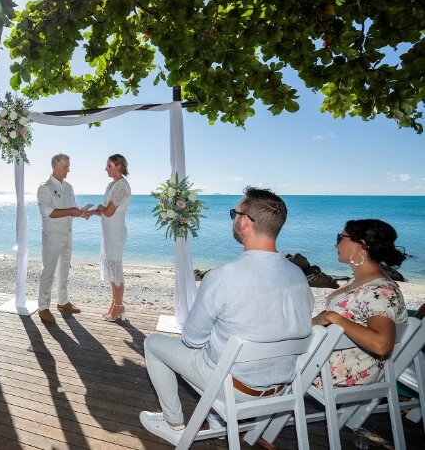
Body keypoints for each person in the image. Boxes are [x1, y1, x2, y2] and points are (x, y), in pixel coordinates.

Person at [139, 187, 314, 446]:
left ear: (244, 222)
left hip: (236, 388)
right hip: (279, 388)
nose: (234, 218)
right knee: (220, 343)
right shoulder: (298, 276)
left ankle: (173, 423)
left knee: (153, 344)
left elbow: (192, 339)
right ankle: (218, 420)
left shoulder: (223, 277)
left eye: (235, 213)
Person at [312, 219, 408, 386]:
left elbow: (382, 344)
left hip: (331, 379)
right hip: (322, 366)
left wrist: (334, 318)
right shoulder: (360, 281)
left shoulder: (379, 291)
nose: (336, 245)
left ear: (360, 246)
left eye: (340, 238)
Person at [36, 153, 90, 325]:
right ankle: (43, 307)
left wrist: (81, 213)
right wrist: (71, 212)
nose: (68, 169)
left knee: (64, 269)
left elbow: (71, 209)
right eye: (65, 166)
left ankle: (63, 302)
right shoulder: (44, 187)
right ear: (55, 166)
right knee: (49, 271)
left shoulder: (69, 187)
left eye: (68, 166)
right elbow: (48, 212)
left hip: (67, 233)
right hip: (52, 236)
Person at [88, 154, 132, 322]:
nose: (106, 168)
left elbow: (108, 211)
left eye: (109, 166)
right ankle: (115, 304)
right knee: (112, 270)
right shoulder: (110, 185)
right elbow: (103, 212)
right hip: (108, 233)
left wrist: (99, 207)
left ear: (119, 166)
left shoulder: (122, 186)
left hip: (116, 233)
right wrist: (90, 212)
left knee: (116, 270)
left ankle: (119, 307)